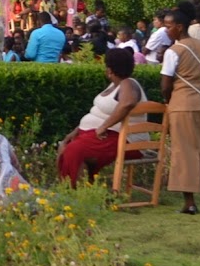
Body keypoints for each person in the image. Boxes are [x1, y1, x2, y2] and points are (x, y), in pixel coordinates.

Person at [161, 2, 200, 215]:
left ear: (179, 27)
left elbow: (165, 85)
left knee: (183, 152)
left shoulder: (173, 51)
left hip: (182, 105)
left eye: (168, 26)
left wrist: (169, 101)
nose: (166, 30)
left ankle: (189, 203)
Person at [57, 48, 146, 187]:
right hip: (105, 135)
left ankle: (79, 193)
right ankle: (75, 189)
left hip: (125, 139)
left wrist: (104, 126)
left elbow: (127, 103)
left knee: (75, 150)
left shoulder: (128, 83)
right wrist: (76, 131)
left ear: (109, 70)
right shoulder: (114, 85)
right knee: (66, 145)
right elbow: (98, 113)